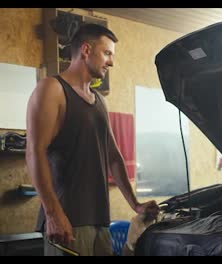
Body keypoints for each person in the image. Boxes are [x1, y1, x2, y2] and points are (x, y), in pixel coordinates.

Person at [25, 23, 159, 256]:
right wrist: (53, 214)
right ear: (86, 50)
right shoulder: (52, 89)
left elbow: (114, 158)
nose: (111, 62)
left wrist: (135, 205)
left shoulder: (99, 101)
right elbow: (34, 152)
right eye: (107, 53)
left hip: (100, 221)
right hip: (68, 221)